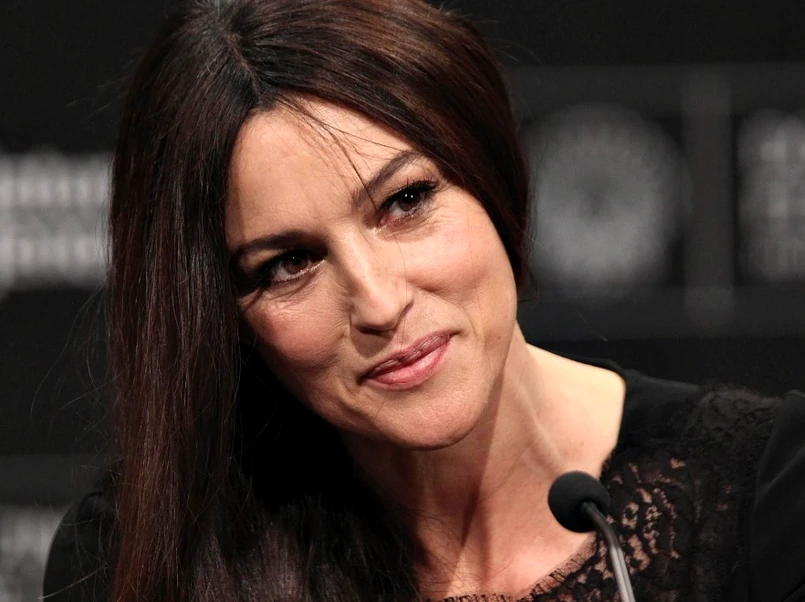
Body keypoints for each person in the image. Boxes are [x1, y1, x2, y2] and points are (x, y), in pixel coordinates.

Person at [42, 0, 805, 600]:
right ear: (225, 315)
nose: (377, 303)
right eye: (289, 264)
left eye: (404, 202)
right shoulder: (139, 555)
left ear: (493, 176)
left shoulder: (766, 491)